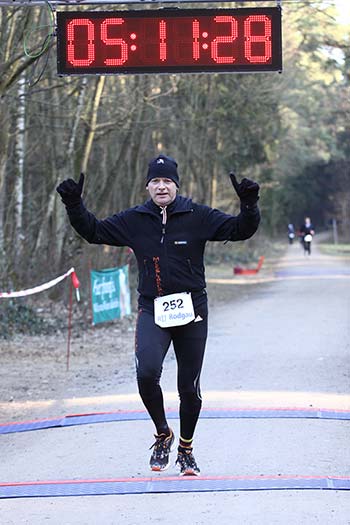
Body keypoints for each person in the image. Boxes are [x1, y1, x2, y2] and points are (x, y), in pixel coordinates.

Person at [56, 154, 260, 476]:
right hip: (153, 307)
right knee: (147, 373)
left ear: (176, 186)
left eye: (167, 181)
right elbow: (94, 231)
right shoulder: (135, 219)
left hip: (192, 309)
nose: (161, 186)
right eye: (155, 181)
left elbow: (239, 230)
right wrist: (74, 205)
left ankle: (186, 447)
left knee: (188, 388)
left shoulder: (197, 215)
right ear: (148, 186)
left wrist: (249, 204)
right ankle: (163, 432)